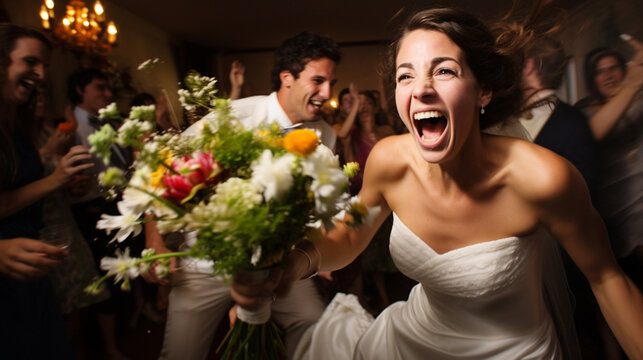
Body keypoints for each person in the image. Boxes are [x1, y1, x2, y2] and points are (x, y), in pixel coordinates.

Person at [231, 8, 643, 360]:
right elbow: (349, 234)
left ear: (482, 90)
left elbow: (607, 279)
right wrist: (294, 264)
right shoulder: (391, 159)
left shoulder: (542, 179)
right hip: (410, 342)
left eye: (443, 71)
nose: (422, 89)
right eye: (405, 76)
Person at [144, 31, 341, 360]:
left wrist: (316, 250)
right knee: (182, 352)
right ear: (287, 77)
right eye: (318, 81)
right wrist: (155, 242)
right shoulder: (234, 117)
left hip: (275, 264)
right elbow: (163, 172)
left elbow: (311, 204)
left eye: (331, 83)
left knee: (312, 322)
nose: (327, 93)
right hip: (207, 262)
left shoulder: (325, 135)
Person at [0, 23, 93, 359]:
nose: (40, 74)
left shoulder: (17, 125)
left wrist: (66, 184)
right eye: (30, 62)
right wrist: (54, 179)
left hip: (30, 263)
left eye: (44, 66)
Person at [575, 39, 643, 265]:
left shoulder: (639, 101)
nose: (609, 76)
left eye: (613, 68)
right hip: (615, 215)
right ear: (591, 79)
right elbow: (591, 134)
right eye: (600, 71)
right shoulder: (584, 113)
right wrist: (631, 86)